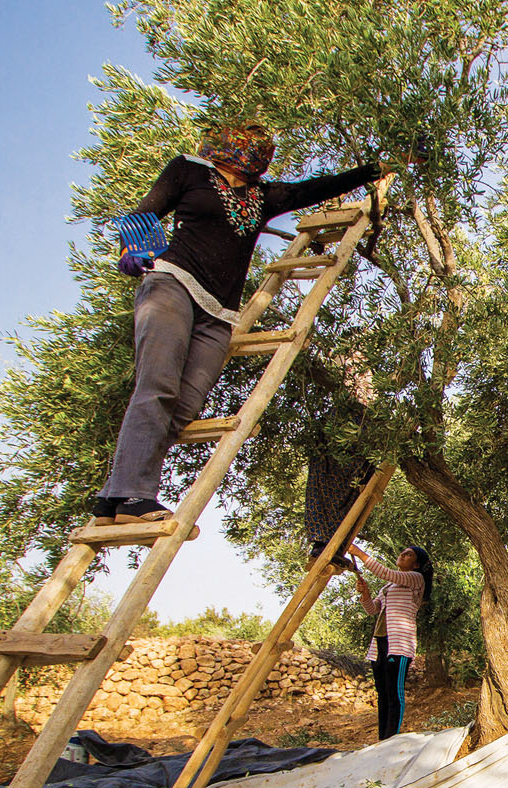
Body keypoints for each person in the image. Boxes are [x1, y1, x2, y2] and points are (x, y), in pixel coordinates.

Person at [91, 123, 382, 524]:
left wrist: (376, 169)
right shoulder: (189, 170)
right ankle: (134, 495)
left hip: (219, 312)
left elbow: (311, 189)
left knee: (186, 404)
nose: (253, 151)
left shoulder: (261, 197)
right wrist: (133, 250)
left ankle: (113, 495)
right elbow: (145, 213)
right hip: (172, 284)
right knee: (157, 386)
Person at [349, 541, 428, 741]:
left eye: (409, 554)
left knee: (395, 693)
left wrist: (358, 553)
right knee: (382, 694)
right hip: (380, 643)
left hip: (399, 645)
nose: (403, 554)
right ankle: (382, 740)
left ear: (416, 564)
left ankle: (392, 739)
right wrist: (365, 594)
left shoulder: (416, 579)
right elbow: (372, 610)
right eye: (403, 551)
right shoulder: (388, 587)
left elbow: (386, 572)